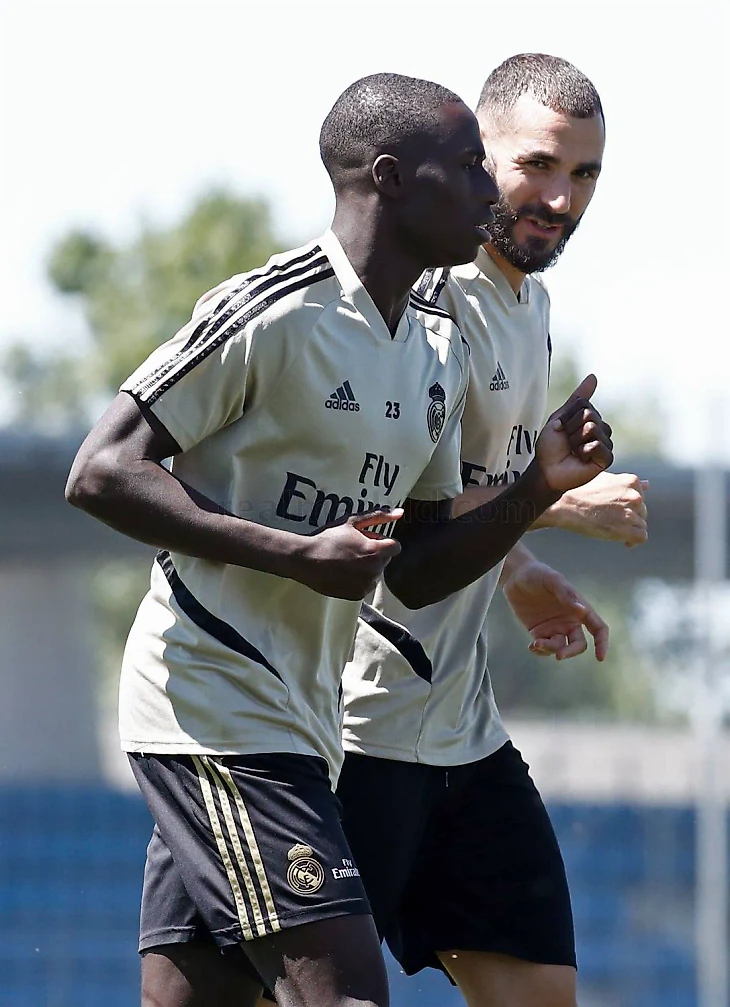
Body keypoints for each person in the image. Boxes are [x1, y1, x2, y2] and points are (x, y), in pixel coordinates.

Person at [65, 70, 612, 1007]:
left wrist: (536, 492)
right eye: (476, 167)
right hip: (222, 701)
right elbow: (100, 470)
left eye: (585, 173)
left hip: (313, 717)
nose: (495, 192)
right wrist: (295, 554)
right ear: (394, 178)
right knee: (345, 996)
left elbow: (419, 564)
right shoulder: (275, 308)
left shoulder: (436, 344)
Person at [335, 54, 649, 1007]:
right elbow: (385, 511)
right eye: (538, 165)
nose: (560, 199)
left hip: (460, 729)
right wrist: (559, 500)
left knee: (541, 991)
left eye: (584, 174)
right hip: (357, 725)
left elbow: (470, 485)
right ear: (481, 157)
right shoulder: (425, 299)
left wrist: (517, 567)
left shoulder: (528, 299)